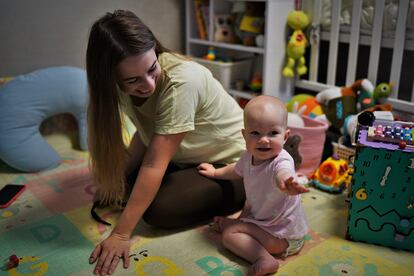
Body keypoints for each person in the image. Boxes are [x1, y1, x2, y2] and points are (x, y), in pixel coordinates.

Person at [86, 10, 246, 276]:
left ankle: (278, 159)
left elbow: (154, 163)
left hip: (237, 163)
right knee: (127, 187)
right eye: (133, 80)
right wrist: (116, 178)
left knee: (159, 209)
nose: (148, 84)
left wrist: (122, 234)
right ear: (110, 78)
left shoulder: (182, 81)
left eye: (152, 69)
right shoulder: (116, 86)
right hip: (190, 158)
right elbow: (146, 133)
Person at [198, 95, 309, 276]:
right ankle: (236, 224)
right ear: (244, 135)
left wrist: (287, 182)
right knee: (242, 218)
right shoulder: (248, 158)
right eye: (255, 133)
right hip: (264, 222)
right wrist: (215, 173)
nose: (264, 140)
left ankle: (264, 259)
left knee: (230, 235)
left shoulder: (281, 161)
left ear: (285, 136)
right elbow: (236, 170)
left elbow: (283, 173)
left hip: (284, 236)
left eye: (273, 133)